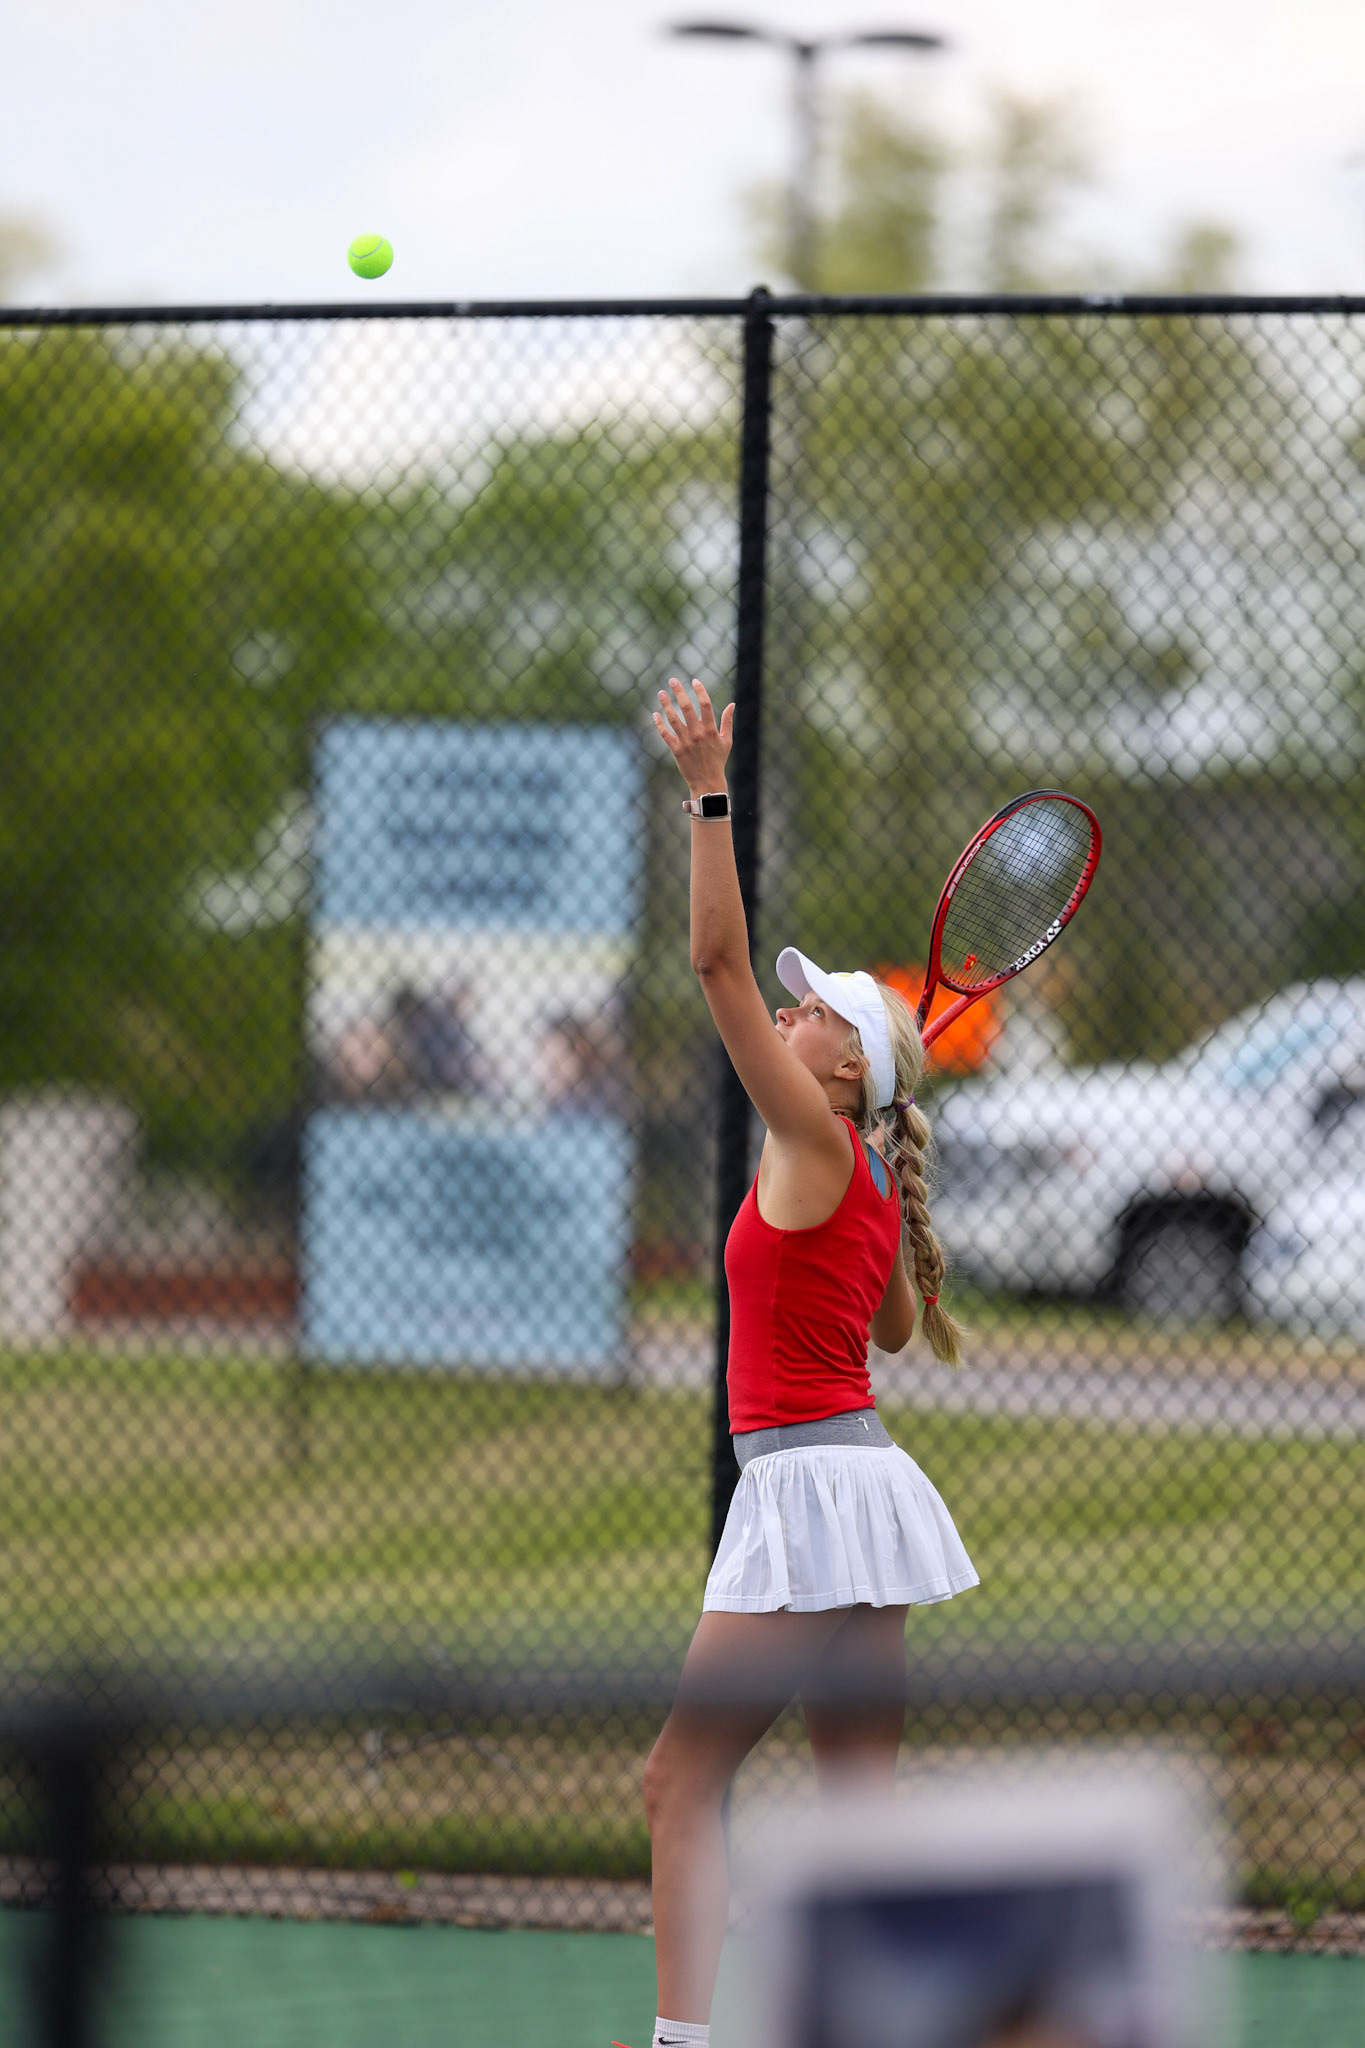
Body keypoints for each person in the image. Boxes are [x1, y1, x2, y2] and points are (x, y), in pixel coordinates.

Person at [631, 677, 979, 2048]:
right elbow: (888, 1332)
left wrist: (706, 786)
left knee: (676, 1784)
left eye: (817, 1014)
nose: (790, 1015)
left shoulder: (817, 1144)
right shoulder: (871, 1181)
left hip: (806, 1498)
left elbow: (716, 966)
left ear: (844, 1079)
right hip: (865, 1492)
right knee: (859, 1827)